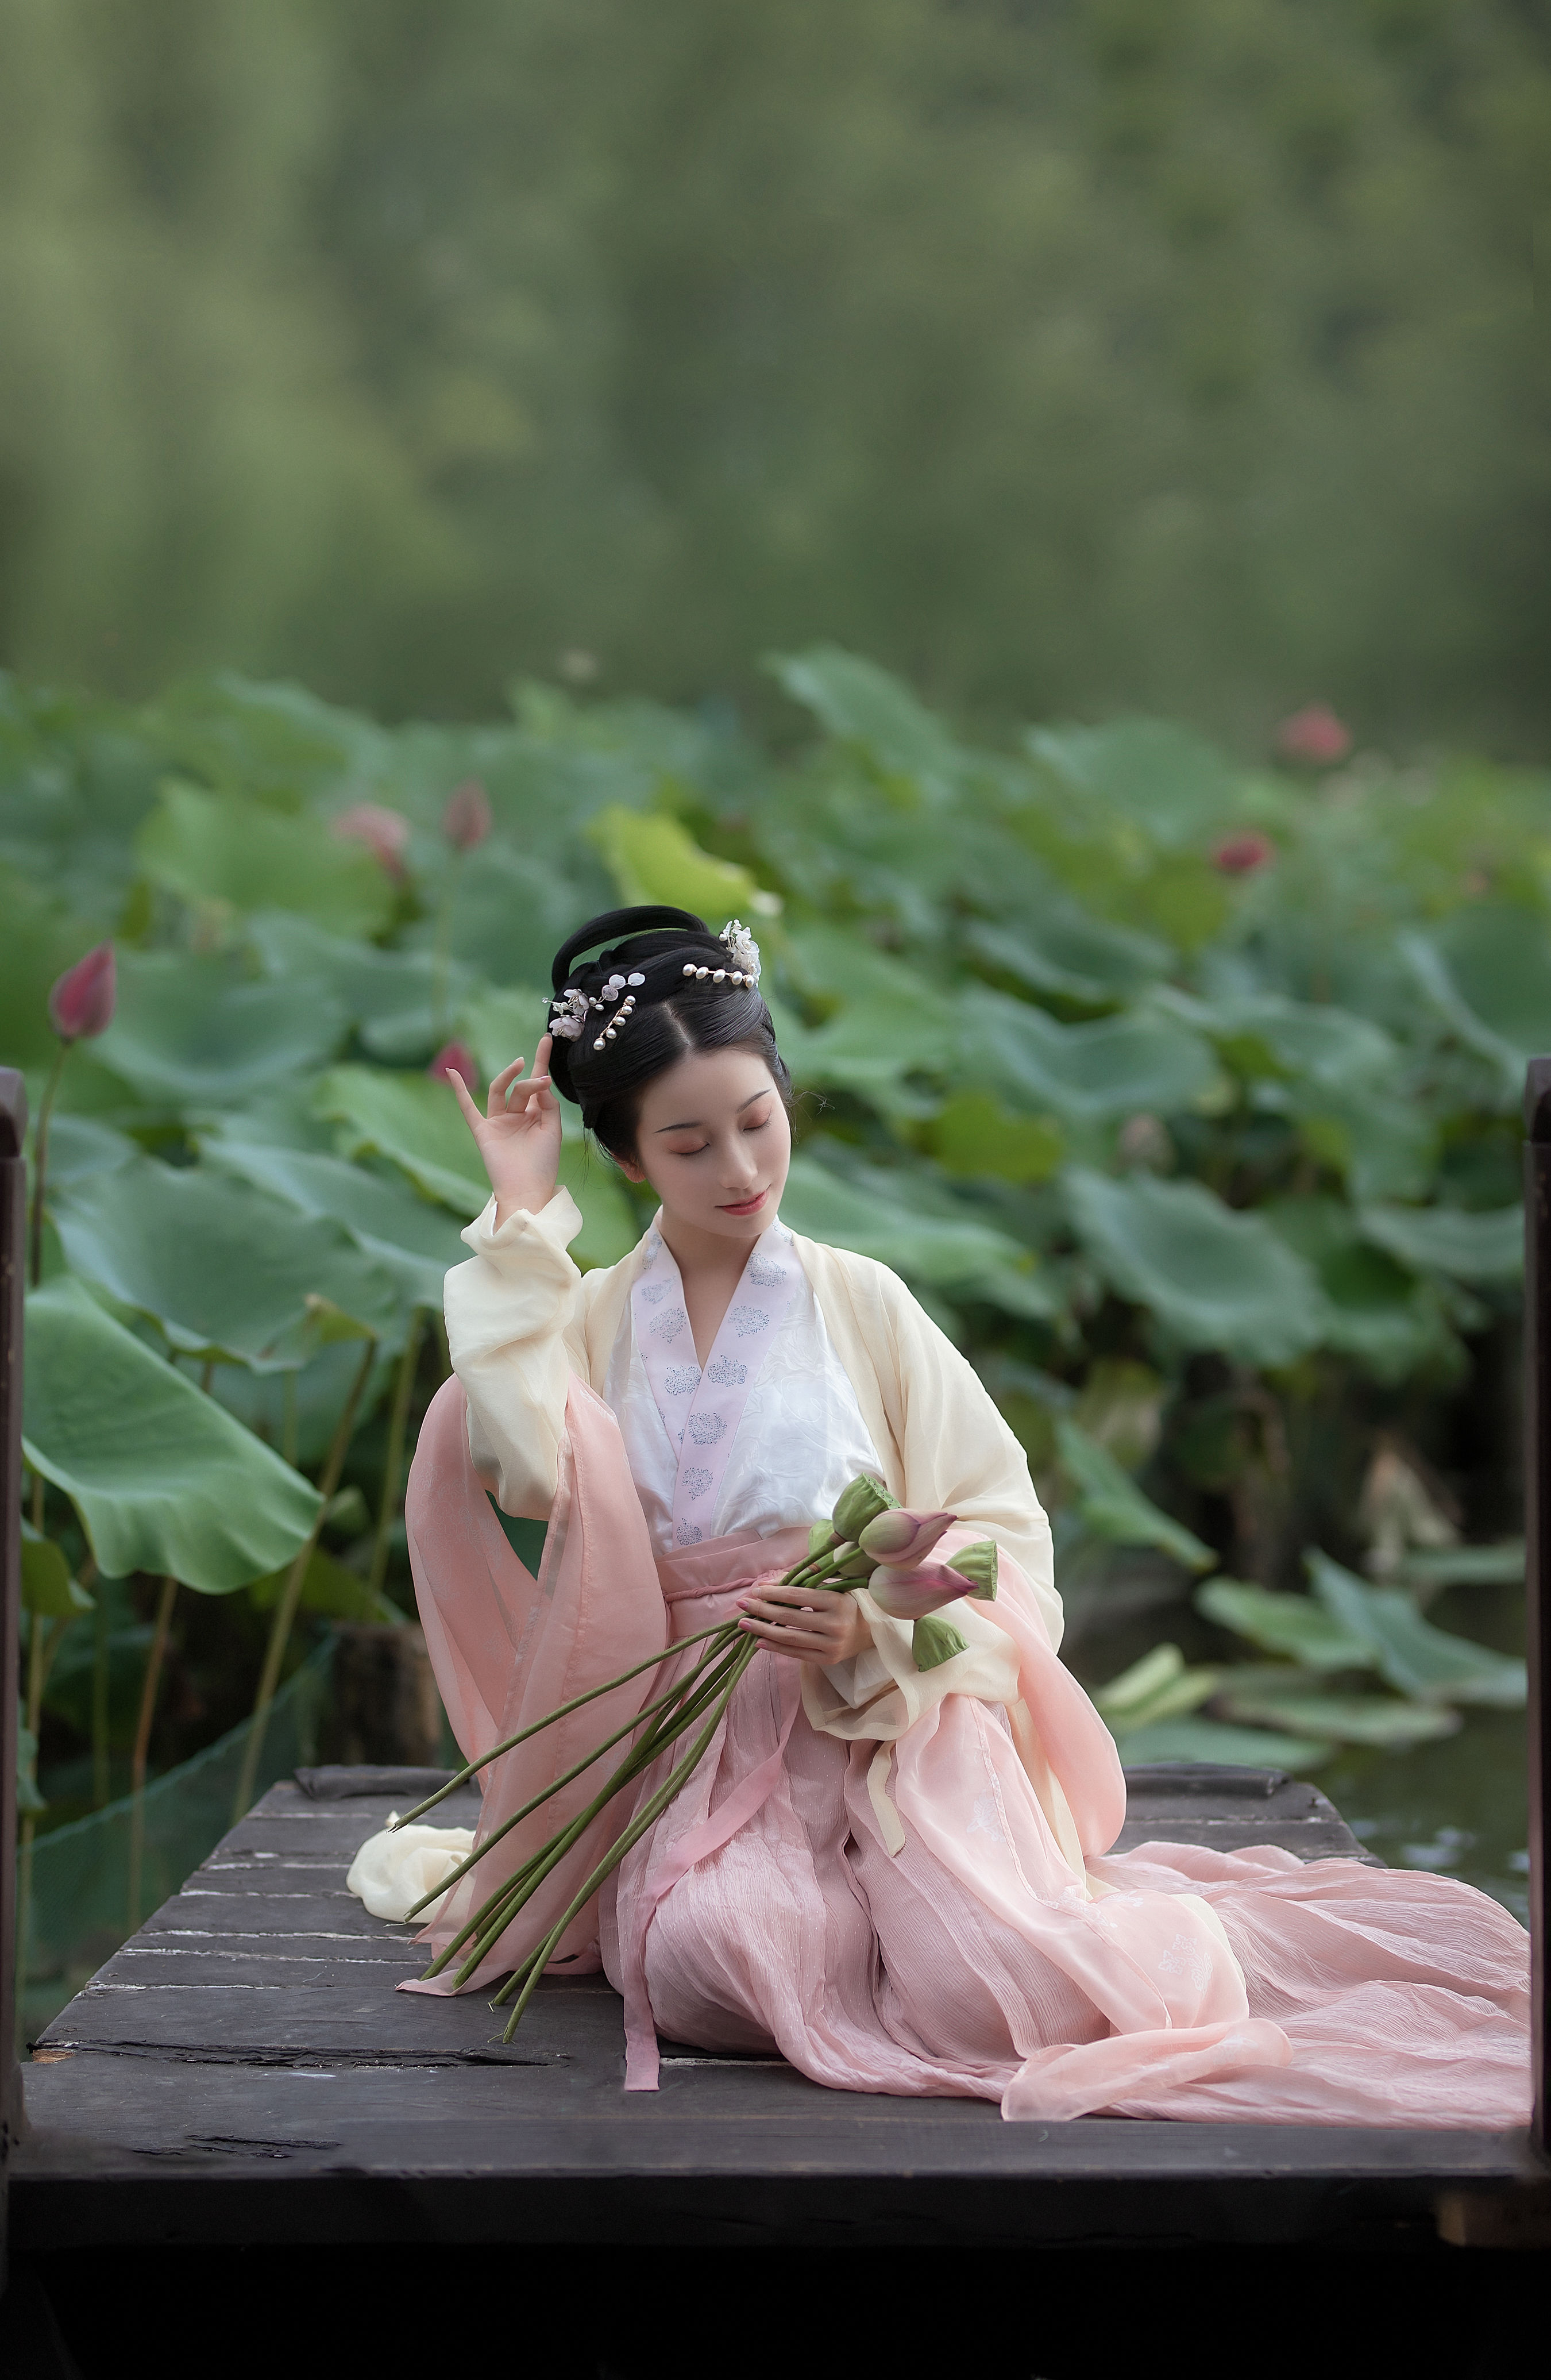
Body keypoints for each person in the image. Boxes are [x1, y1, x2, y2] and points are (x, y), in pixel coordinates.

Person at [390, 904, 1529, 2125]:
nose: (740, 1170)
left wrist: (875, 1632)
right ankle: (832, 1926)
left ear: (783, 1092)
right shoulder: (604, 1317)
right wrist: (519, 1219)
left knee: (996, 1987)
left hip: (896, 1721)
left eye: (758, 1122)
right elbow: (524, 1464)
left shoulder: (861, 1301)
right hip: (701, 1725)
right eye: (689, 1144)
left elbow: (994, 1521)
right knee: (710, 1962)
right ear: (627, 1160)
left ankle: (944, 1926)